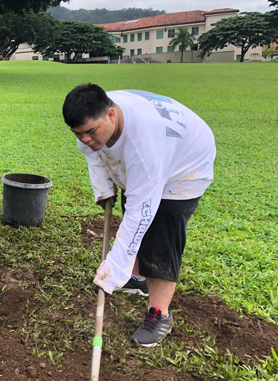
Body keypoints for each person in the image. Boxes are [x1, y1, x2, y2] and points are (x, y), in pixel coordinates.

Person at [62, 83, 216, 347]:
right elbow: (92, 152)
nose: (84, 138)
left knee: (160, 237)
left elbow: (139, 215)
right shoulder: (97, 119)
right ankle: (138, 278)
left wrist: (111, 271)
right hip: (159, 155)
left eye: (89, 132)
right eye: (78, 133)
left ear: (111, 115)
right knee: (135, 212)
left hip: (186, 167)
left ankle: (160, 313)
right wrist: (103, 187)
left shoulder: (144, 148)